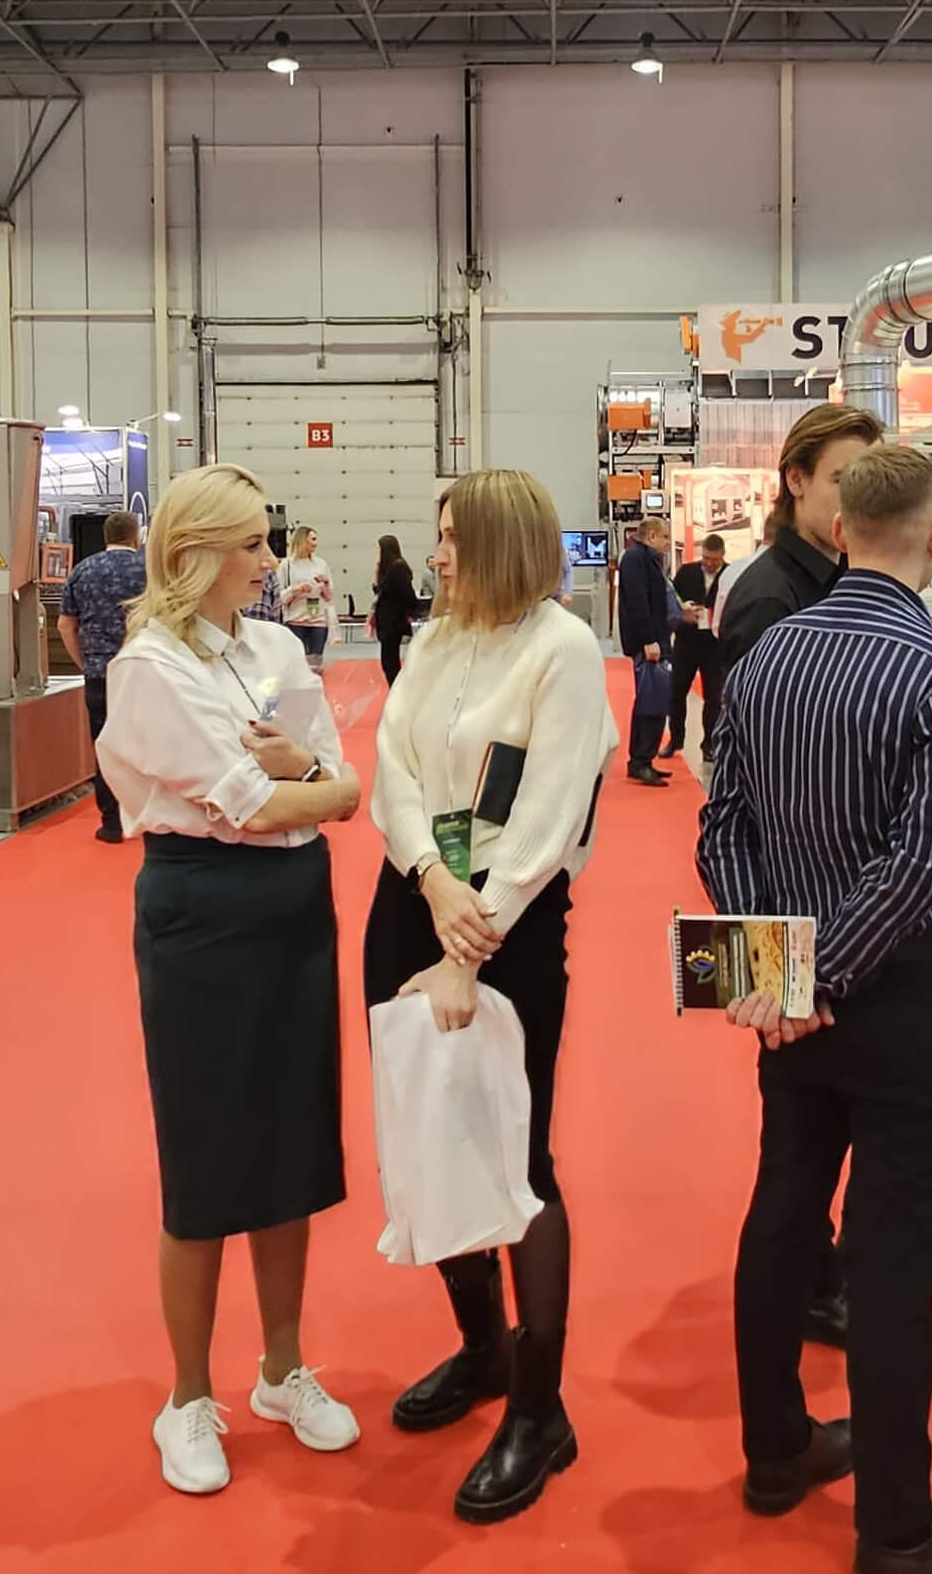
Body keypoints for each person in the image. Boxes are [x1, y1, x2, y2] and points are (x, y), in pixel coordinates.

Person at [699, 444, 932, 1574]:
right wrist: (820, 980)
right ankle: (896, 1532)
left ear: (841, 529)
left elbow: (723, 826)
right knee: (892, 1265)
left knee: (784, 1211)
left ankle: (777, 1449)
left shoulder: (765, 656)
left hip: (791, 992)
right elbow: (915, 864)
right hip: (897, 998)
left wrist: (779, 977)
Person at [94, 464, 366, 1498]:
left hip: (294, 905)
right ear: (196, 551)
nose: (270, 559)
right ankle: (187, 1395)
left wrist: (310, 780)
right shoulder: (151, 667)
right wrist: (309, 781)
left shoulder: (278, 649)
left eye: (267, 538)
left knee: (293, 1144)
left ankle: (283, 1369)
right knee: (205, 1156)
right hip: (202, 911)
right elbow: (260, 802)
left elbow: (337, 784)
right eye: (252, 542)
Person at [365, 467, 620, 1526]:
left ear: (501, 542)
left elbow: (551, 811)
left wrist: (474, 933)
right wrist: (430, 876)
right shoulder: (435, 639)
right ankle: (481, 1347)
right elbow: (392, 767)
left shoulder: (562, 649)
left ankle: (539, 1403)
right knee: (427, 1132)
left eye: (453, 537)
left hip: (506, 929)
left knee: (516, 1154)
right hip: (411, 903)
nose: (437, 553)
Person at [718, 404, 884, 669]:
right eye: (844, 481)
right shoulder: (769, 601)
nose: (862, 498)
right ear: (796, 480)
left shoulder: (846, 578)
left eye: (871, 483)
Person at [58, 510, 147, 844]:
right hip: (143, 671)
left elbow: (65, 625)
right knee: (148, 743)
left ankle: (112, 822)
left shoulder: (82, 570)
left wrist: (84, 662)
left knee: (105, 745)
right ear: (136, 537)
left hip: (99, 672)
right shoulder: (149, 570)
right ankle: (147, 814)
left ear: (105, 536)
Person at [618, 516, 676, 787]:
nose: (668, 542)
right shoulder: (634, 559)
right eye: (665, 536)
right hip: (649, 645)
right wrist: (649, 640)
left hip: (657, 641)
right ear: (651, 535)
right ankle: (641, 760)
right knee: (651, 702)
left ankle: (643, 760)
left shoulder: (648, 560)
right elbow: (637, 602)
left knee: (654, 700)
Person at [667, 532, 729, 763]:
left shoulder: (730, 575)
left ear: (722, 556)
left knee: (713, 697)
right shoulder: (687, 572)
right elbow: (673, 600)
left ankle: (709, 745)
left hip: (714, 646)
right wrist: (683, 610)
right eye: (706, 558)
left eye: (714, 559)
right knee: (676, 693)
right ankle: (675, 739)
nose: (709, 563)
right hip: (686, 642)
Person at [278, 525, 335, 666]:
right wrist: (297, 589)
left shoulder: (321, 564)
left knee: (315, 662)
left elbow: (329, 597)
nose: (316, 543)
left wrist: (325, 584)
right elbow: (279, 597)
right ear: (302, 540)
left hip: (318, 620)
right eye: (313, 539)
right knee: (297, 663)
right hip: (295, 621)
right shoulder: (286, 565)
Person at [369, 534, 419, 687]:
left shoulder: (398, 568)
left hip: (393, 622)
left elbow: (407, 594)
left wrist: (411, 612)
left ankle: (397, 690)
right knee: (388, 662)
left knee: (390, 662)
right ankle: (395, 689)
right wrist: (376, 573)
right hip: (387, 622)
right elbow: (379, 591)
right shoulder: (387, 569)